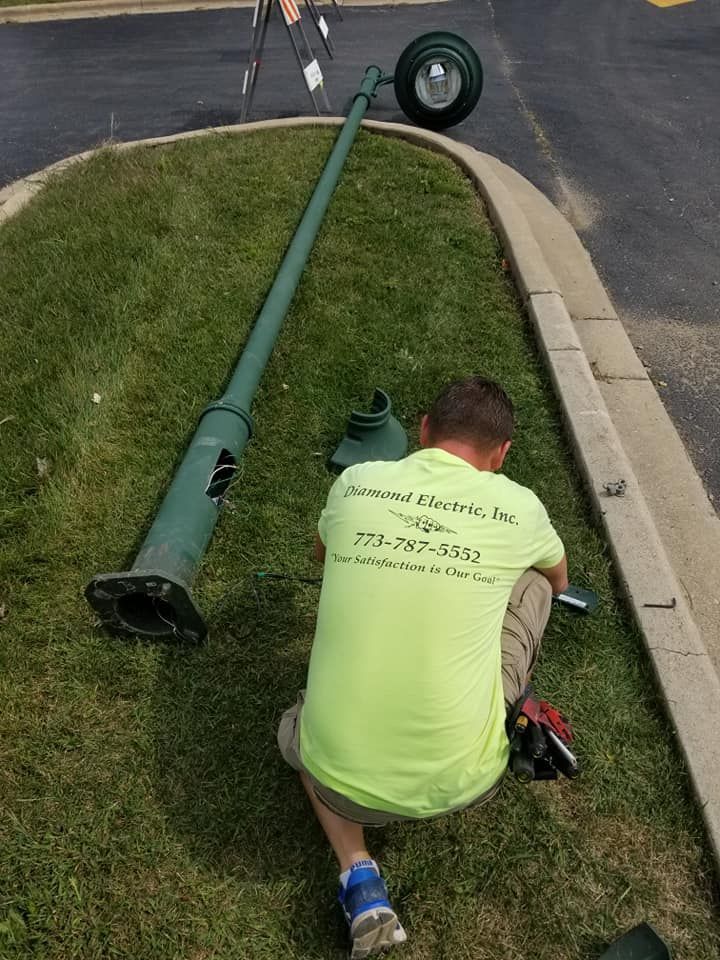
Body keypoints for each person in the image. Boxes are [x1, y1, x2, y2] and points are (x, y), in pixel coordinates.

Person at [277, 376, 568, 959]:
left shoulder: (356, 482)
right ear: (502, 455)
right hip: (465, 780)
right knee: (531, 580)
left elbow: (322, 553)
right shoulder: (519, 504)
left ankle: (359, 874)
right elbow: (557, 580)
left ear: (423, 429)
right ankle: (501, 705)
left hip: (338, 778)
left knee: (297, 733)